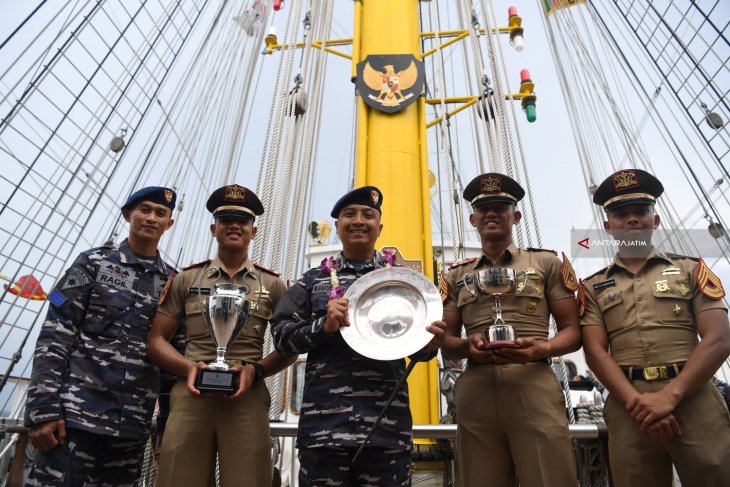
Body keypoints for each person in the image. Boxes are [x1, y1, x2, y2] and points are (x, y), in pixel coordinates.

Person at [270, 186, 439, 486]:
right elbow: (282, 337)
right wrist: (322, 326)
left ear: (379, 227)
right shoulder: (312, 281)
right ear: (337, 227)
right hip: (325, 429)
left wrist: (432, 340)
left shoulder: (405, 282)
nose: (359, 220)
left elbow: (421, 353)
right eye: (349, 215)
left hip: (386, 429)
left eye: (368, 215)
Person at [579, 168, 730, 486]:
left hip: (694, 398)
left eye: (641, 211)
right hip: (628, 408)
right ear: (608, 226)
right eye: (621, 214)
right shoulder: (593, 287)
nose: (632, 220)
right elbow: (594, 351)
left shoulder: (691, 271)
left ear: (656, 220)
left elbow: (718, 338)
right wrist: (640, 404)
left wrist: (669, 397)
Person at [431, 172, 581, 487]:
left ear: (515, 215)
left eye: (500, 207)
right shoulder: (457, 276)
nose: (491, 214)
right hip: (477, 387)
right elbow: (446, 340)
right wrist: (465, 346)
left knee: (549, 478)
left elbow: (572, 330)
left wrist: (545, 348)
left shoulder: (546, 264)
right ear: (472, 219)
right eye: (483, 208)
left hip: (533, 382)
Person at [24, 186, 177, 486]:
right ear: (127, 214)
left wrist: (168, 423)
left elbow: (173, 359)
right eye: (144, 210)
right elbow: (55, 334)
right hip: (72, 421)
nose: (151, 217)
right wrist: (42, 409)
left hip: (130, 430)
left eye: (160, 213)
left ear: (169, 223)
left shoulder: (173, 282)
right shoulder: (91, 263)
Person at [146, 184, 295, 487]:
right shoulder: (186, 279)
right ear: (213, 228)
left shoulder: (273, 284)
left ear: (254, 231)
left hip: (247, 397)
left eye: (243, 221)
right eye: (226, 220)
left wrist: (257, 370)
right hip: (190, 394)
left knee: (249, 481)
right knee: (178, 480)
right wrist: (187, 367)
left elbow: (290, 345)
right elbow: (156, 339)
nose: (234, 226)